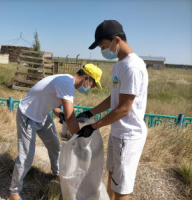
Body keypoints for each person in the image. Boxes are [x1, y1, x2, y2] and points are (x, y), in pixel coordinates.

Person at [77, 20, 148, 200]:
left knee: (122, 188)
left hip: (128, 135)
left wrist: (94, 127)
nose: (102, 51)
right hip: (117, 132)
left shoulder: (132, 67)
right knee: (112, 176)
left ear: (116, 40)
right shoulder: (119, 65)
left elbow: (124, 108)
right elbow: (113, 99)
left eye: (103, 45)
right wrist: (90, 113)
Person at [9, 63, 102, 200]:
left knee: (54, 146)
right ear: (86, 79)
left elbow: (54, 106)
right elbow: (71, 119)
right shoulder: (66, 84)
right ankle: (14, 193)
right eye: (92, 85)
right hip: (28, 115)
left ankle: (57, 173)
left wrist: (61, 115)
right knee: (27, 156)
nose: (90, 88)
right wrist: (80, 140)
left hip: (42, 115)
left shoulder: (66, 80)